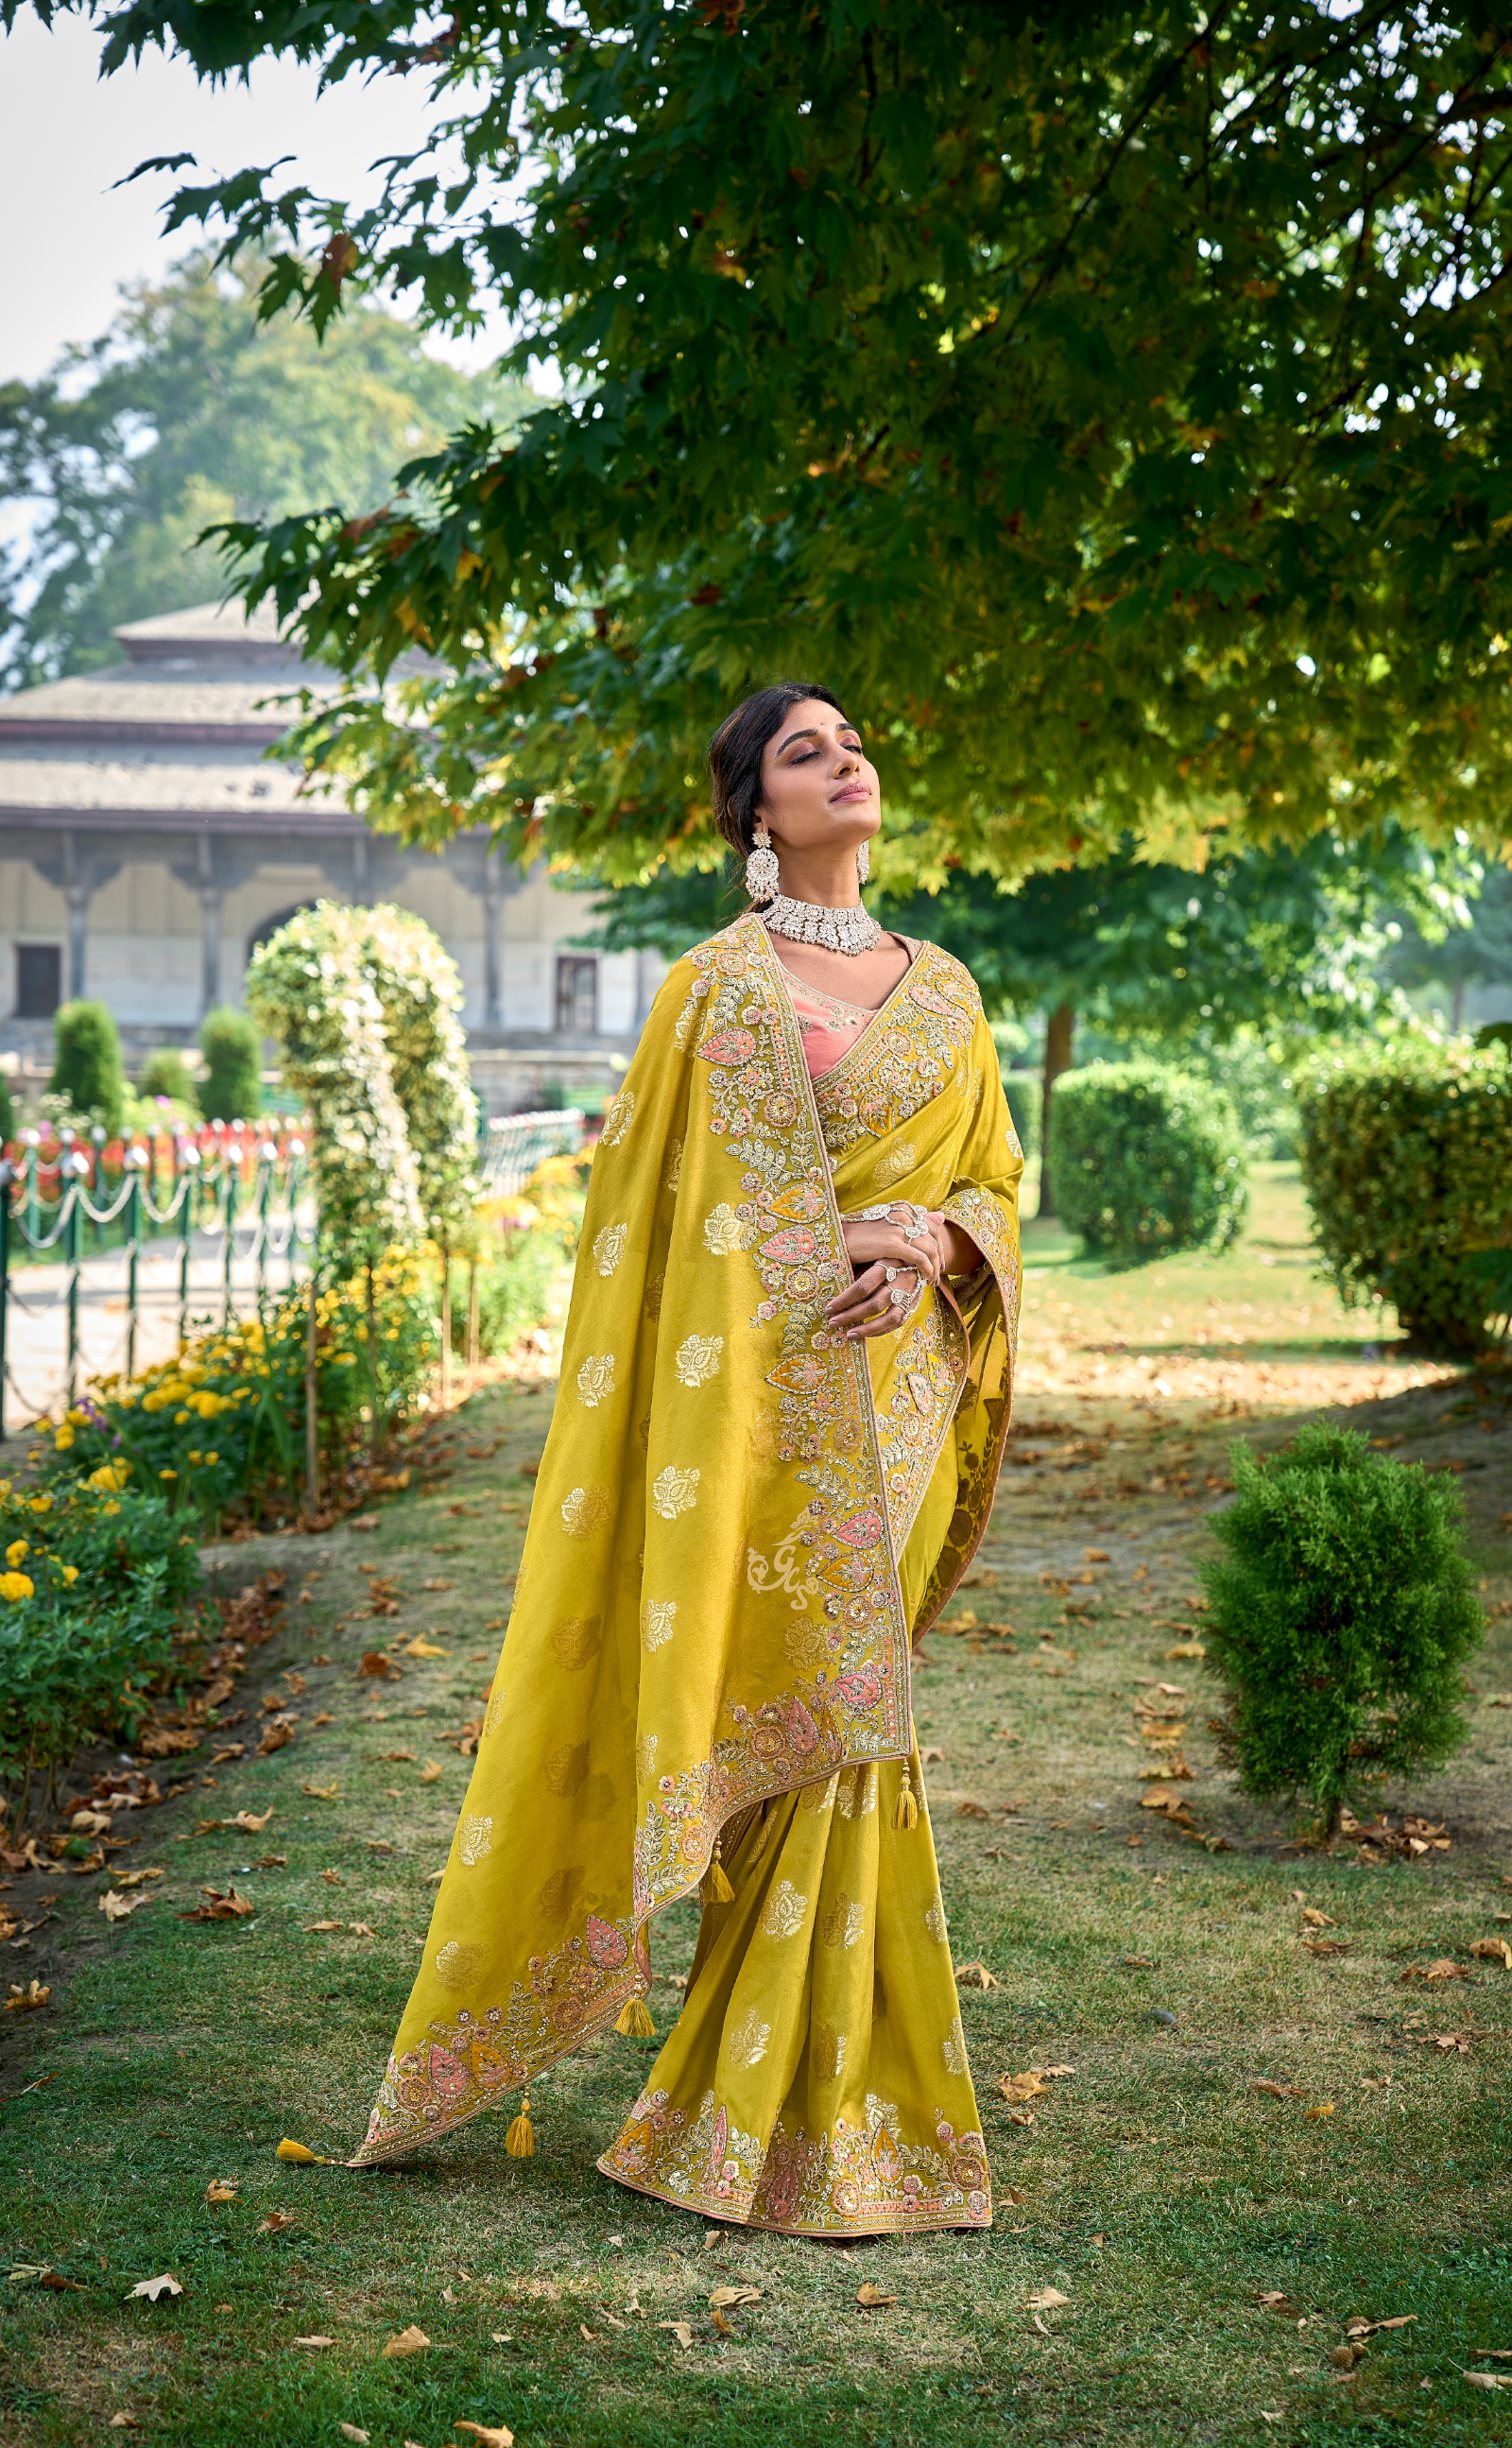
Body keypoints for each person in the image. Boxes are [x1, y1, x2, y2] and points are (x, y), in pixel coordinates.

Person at [352, 684, 1023, 2238]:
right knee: (768, 1698)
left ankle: (783, 2097)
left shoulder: (951, 991)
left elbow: (992, 1177)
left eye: (857, 740)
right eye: (807, 752)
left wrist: (929, 1237)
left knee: (856, 1724)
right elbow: (648, 1234)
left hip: (898, 1396)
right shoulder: (713, 993)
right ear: (755, 818)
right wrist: (819, 1234)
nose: (846, 760)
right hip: (749, 1410)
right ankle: (749, 2096)